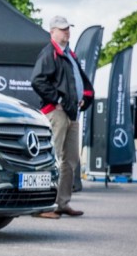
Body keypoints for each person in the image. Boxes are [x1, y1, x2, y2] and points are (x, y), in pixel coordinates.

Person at [31, 16, 94, 218]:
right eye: (62, 29)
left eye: (68, 28)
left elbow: (78, 81)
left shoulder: (69, 54)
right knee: (51, 158)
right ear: (52, 32)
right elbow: (37, 80)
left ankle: (61, 203)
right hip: (56, 113)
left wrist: (83, 97)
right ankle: (42, 206)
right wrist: (57, 98)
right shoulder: (49, 53)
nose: (67, 32)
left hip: (71, 113)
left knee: (71, 160)